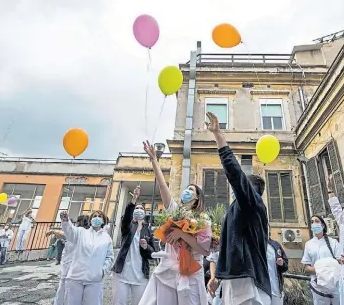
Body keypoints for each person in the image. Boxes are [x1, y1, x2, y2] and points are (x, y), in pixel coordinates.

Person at [205, 112, 271, 305]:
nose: (234, 190)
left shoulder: (252, 203)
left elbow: (234, 173)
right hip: (236, 281)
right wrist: (218, 277)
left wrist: (218, 136)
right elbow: (230, 245)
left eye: (238, 188)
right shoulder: (238, 210)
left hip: (248, 285)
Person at [139, 140, 211, 305]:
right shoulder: (175, 212)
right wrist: (154, 161)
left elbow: (204, 250)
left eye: (191, 190)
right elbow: (163, 186)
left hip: (191, 273)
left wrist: (182, 235)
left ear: (197, 197)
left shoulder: (203, 219)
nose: (187, 191)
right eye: (186, 188)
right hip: (169, 271)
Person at [112, 186, 155, 305]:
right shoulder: (127, 226)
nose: (139, 210)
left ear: (145, 213)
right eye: (137, 208)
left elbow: (153, 254)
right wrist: (134, 199)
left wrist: (146, 247)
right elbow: (126, 217)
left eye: (141, 208)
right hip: (122, 273)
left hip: (140, 275)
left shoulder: (148, 230)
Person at [60, 210, 114, 305]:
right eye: (94, 216)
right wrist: (66, 221)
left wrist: (102, 270)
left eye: (100, 216)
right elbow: (70, 232)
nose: (97, 218)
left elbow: (109, 257)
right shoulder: (81, 232)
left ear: (103, 221)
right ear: (90, 220)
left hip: (94, 279)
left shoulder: (107, 238)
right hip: (76, 277)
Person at [301, 216, 340, 305]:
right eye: (312, 222)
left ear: (322, 225)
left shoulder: (333, 242)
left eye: (316, 221)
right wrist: (322, 271)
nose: (314, 223)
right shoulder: (308, 244)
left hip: (334, 285)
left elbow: (340, 263)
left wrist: (325, 270)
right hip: (317, 287)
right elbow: (307, 268)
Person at [53, 215, 90, 305]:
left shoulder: (76, 232)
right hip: (77, 266)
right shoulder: (87, 233)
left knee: (64, 288)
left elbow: (66, 232)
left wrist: (54, 230)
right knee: (76, 291)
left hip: (69, 264)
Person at [266, 236, 289, 305]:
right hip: (261, 290)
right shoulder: (255, 245)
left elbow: (285, 265)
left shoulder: (276, 245)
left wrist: (282, 263)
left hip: (276, 289)